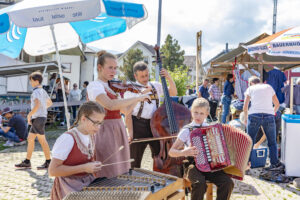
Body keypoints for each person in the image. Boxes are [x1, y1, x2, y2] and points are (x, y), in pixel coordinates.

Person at [87, 51, 150, 178]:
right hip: (104, 129)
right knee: (107, 169)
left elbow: (126, 111)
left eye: (115, 68)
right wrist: (137, 98)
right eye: (110, 67)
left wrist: (138, 97)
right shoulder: (95, 86)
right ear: (99, 67)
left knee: (119, 168)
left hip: (118, 128)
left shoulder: (111, 87)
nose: (114, 71)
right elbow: (110, 105)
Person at [169, 98, 234, 200]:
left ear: (207, 114)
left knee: (227, 182)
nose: (198, 116)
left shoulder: (210, 129)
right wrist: (184, 152)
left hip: (210, 166)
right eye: (195, 112)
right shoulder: (186, 130)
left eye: (201, 113)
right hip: (192, 165)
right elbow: (171, 152)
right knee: (199, 184)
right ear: (191, 112)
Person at [124, 61, 177, 168]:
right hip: (137, 124)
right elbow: (128, 113)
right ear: (135, 76)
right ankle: (135, 181)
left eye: (147, 75)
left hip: (155, 125)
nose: (145, 78)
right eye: (142, 76)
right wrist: (130, 132)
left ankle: (158, 177)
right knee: (134, 160)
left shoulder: (155, 85)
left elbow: (173, 93)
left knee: (159, 156)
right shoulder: (130, 89)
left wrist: (169, 78)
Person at [49, 101, 105, 200]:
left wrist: (93, 165)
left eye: (100, 123)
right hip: (68, 187)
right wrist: (84, 168)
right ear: (83, 119)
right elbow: (52, 171)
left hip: (86, 183)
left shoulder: (91, 135)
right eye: (96, 123)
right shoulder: (68, 139)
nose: (98, 127)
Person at [243, 76, 283, 170]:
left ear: (251, 83)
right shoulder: (269, 87)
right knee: (272, 142)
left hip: (254, 115)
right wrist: (272, 113)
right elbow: (277, 104)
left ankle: (246, 165)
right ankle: (274, 164)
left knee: (250, 141)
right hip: (268, 116)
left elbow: (245, 107)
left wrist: (245, 118)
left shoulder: (250, 89)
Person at [15, 71, 53, 169]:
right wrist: (43, 110)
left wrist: (29, 115)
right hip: (40, 117)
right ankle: (30, 161)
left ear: (36, 81)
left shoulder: (36, 92)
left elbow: (37, 104)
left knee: (37, 140)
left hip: (38, 118)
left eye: (31, 81)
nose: (30, 83)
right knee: (34, 139)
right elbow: (50, 103)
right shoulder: (43, 91)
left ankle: (45, 161)